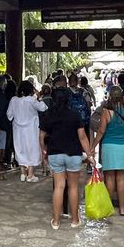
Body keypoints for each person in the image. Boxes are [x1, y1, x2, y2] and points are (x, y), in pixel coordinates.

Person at [40, 85, 93, 229]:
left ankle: (56, 221)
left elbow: (41, 135)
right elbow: (82, 137)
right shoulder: (74, 115)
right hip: (73, 154)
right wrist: (89, 154)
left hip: (55, 153)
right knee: (73, 187)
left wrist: (43, 150)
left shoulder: (48, 114)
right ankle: (75, 220)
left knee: (59, 186)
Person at [90, 86, 124, 216]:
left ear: (110, 97)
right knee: (121, 178)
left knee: (110, 178)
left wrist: (93, 147)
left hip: (109, 147)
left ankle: (109, 207)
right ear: (121, 97)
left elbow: (101, 132)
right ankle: (122, 208)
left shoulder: (107, 112)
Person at [6, 80, 47, 183]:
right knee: (32, 150)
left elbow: (9, 115)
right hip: (31, 130)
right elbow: (43, 108)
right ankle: (30, 175)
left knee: (20, 150)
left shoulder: (13, 100)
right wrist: (38, 97)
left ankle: (23, 173)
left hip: (18, 130)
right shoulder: (31, 100)